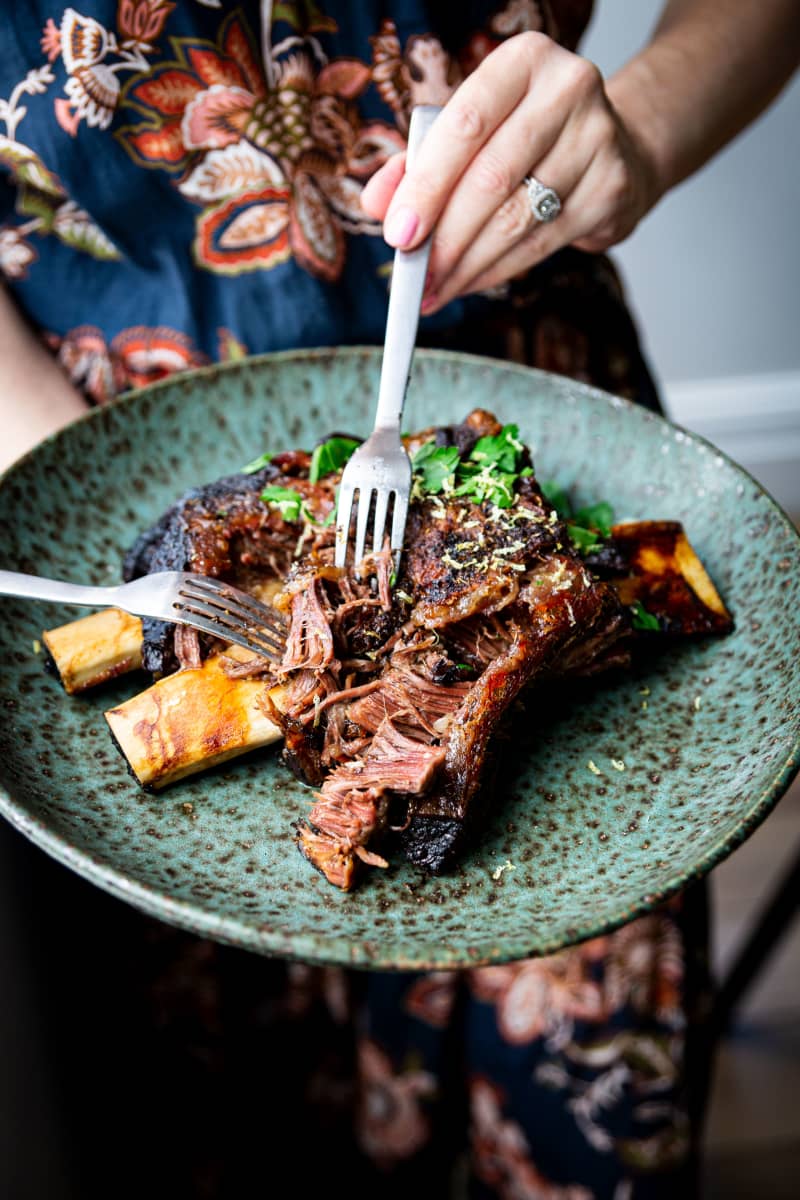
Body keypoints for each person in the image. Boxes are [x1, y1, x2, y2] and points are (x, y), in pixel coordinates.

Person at [0, 2, 797, 1197]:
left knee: (576, 1090)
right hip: (107, 423)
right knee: (236, 1114)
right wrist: (92, 475)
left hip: (536, 372)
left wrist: (636, 131)